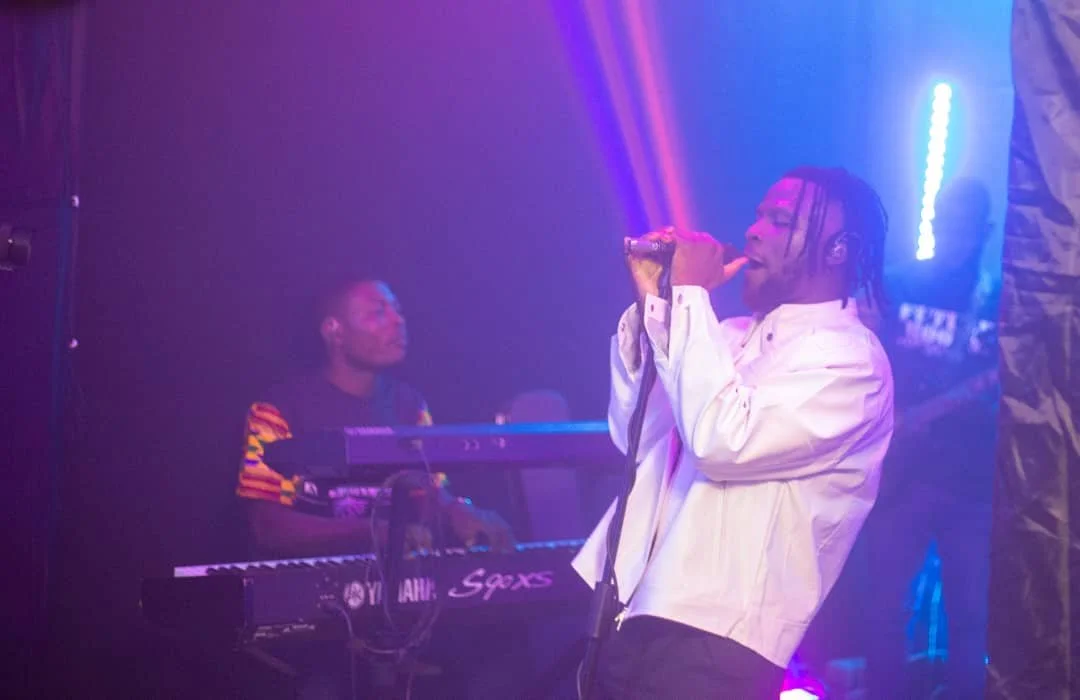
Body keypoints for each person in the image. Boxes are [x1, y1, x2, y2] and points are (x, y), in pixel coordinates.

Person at [572, 166, 896, 699]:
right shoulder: (730, 335)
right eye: (759, 215)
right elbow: (633, 431)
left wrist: (694, 298)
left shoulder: (852, 363)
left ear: (838, 249)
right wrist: (660, 299)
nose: (753, 231)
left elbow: (724, 442)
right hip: (633, 609)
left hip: (717, 642)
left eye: (781, 220)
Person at [236, 277, 517, 698]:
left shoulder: (409, 404)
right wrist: (376, 533)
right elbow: (267, 525)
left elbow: (429, 494)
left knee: (495, 672)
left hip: (403, 607)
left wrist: (459, 509)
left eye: (398, 310)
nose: (397, 322)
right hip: (318, 621)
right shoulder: (279, 409)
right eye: (378, 312)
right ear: (334, 330)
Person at [864, 177, 999, 699]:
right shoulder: (895, 286)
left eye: (963, 223)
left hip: (972, 486)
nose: (952, 232)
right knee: (884, 609)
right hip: (899, 480)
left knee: (970, 617)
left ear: (984, 231)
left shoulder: (1000, 301)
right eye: (945, 220)